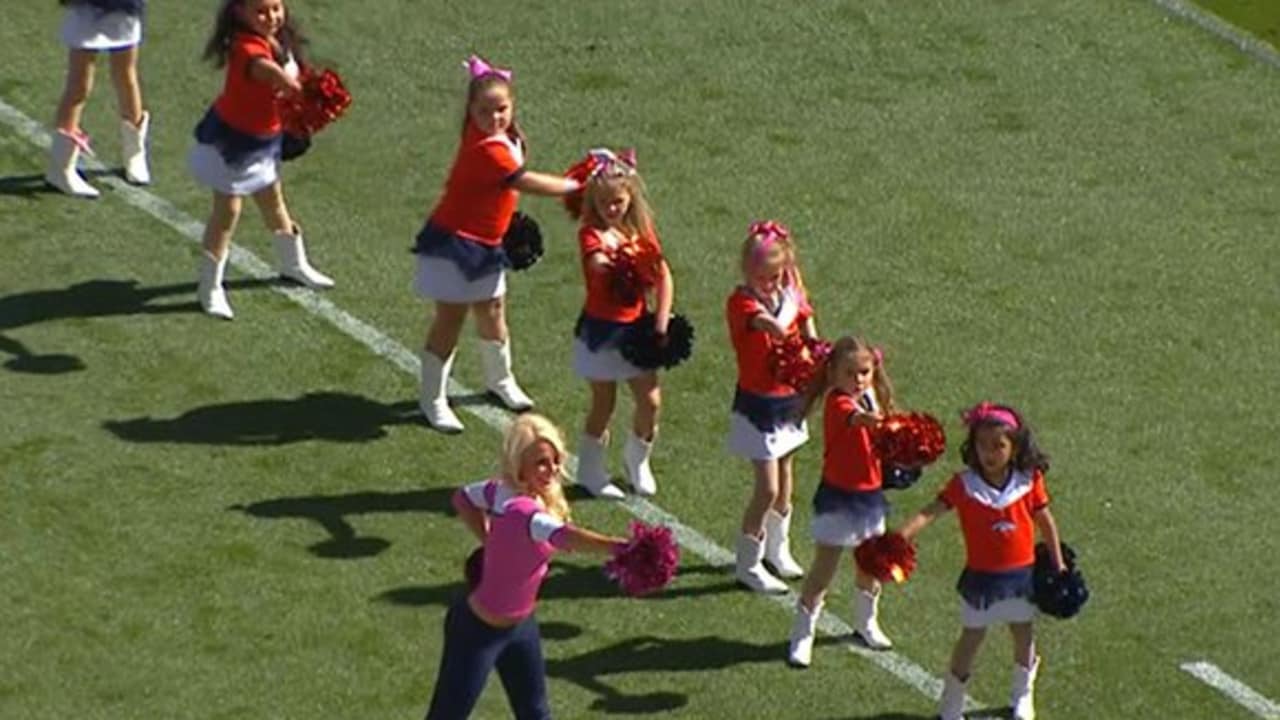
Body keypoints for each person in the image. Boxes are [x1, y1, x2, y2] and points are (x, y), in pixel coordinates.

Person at [414, 55, 581, 433]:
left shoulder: (503, 137)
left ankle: (499, 380)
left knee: (493, 310)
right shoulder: (486, 148)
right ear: (471, 110)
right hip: (457, 242)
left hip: (486, 242)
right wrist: (576, 187)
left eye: (501, 109)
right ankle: (432, 398)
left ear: (513, 106)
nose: (494, 117)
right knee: (450, 319)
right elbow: (526, 182)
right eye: (485, 110)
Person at [424, 413, 625, 719]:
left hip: (521, 627)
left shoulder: (500, 491)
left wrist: (488, 540)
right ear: (518, 466)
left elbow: (464, 498)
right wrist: (618, 547)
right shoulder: (522, 512)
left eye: (555, 460)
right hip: (477, 632)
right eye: (541, 463)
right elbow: (564, 536)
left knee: (536, 714)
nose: (553, 469)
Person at [896, 402, 1066, 720]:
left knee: (1023, 633)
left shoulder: (1029, 480)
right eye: (982, 445)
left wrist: (1058, 563)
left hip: (1021, 576)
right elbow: (930, 511)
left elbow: (1045, 521)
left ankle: (1023, 696)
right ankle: (951, 703)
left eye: (998, 446)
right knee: (971, 637)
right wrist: (900, 536)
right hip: (982, 578)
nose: (989, 453)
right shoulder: (964, 485)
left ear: (1014, 448)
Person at [189, 0, 334, 320]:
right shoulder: (245, 46)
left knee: (273, 202)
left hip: (265, 140)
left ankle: (293, 264)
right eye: (261, 11)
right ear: (239, 12)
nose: (271, 17)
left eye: (276, 8)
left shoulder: (280, 39)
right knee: (227, 212)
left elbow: (292, 71)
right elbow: (262, 69)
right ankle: (209, 285)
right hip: (233, 142)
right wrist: (289, 84)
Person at [787, 336, 919, 667]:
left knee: (871, 565)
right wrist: (888, 425)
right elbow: (859, 419)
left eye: (864, 372)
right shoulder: (839, 403)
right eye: (850, 373)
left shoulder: (873, 399)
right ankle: (802, 633)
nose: (858, 380)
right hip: (838, 496)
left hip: (870, 496)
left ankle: (866, 622)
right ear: (832, 373)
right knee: (824, 569)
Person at [569, 149, 673, 499]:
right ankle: (590, 470)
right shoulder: (591, 234)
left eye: (618, 201)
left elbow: (663, 276)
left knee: (652, 401)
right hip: (603, 330)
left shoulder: (641, 232)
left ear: (630, 197)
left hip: (637, 329)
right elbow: (598, 264)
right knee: (604, 403)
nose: (611, 209)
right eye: (603, 204)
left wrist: (660, 322)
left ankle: (637, 457)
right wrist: (624, 261)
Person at [726, 220, 814, 593]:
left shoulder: (789, 292)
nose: (771, 283)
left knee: (786, 478)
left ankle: (779, 547)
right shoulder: (742, 301)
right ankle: (749, 561)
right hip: (758, 404)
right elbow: (775, 328)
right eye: (763, 276)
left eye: (777, 275)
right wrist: (792, 304)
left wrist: (815, 352)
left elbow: (807, 326)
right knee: (766, 487)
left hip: (789, 398)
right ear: (747, 270)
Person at [48, 0, 151, 197]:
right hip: (86, 7)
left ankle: (135, 155)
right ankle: (60, 168)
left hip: (124, 6)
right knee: (79, 84)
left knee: (126, 76)